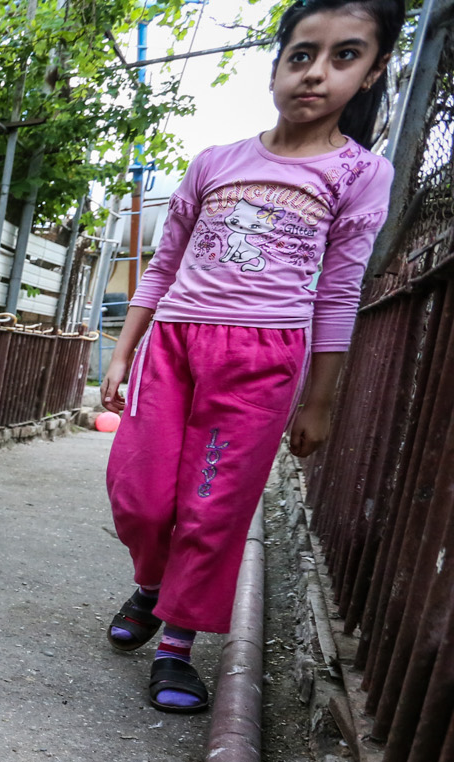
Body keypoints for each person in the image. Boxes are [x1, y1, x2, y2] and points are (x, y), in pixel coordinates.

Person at [100, 0, 401, 714]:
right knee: (139, 497)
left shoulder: (361, 174)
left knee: (213, 508)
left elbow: (339, 291)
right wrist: (123, 352)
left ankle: (174, 646)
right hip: (173, 345)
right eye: (302, 55)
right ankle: (151, 582)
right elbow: (163, 264)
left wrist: (319, 401)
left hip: (264, 361)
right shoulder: (215, 162)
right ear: (276, 63)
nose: (316, 74)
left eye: (344, 56)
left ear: (373, 71)